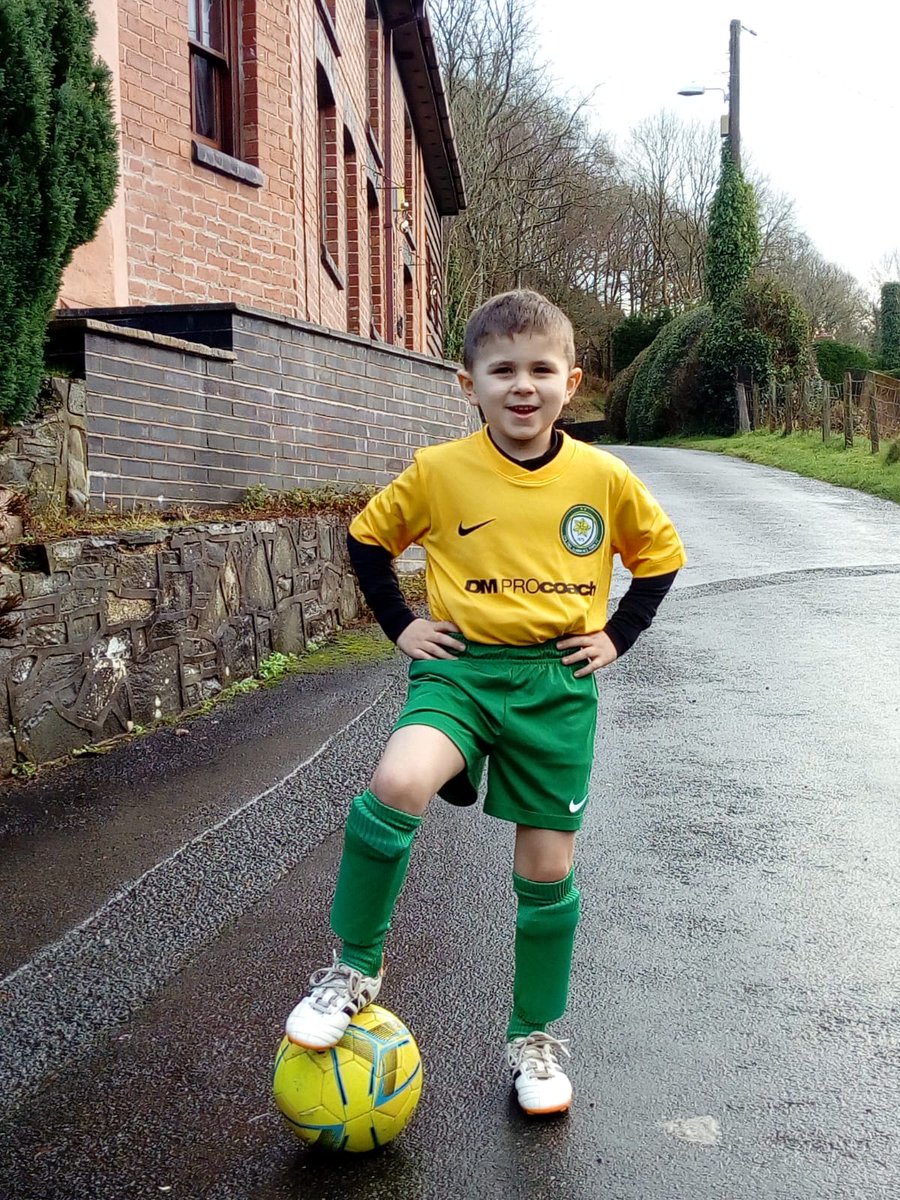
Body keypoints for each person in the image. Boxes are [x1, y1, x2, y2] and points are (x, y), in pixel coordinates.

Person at [285, 289, 686, 1115]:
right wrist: (400, 624)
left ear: (571, 382)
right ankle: (355, 967)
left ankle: (535, 1038)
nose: (523, 386)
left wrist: (616, 637)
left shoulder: (604, 479)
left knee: (545, 872)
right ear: (468, 382)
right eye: (502, 370)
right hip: (461, 672)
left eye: (541, 369)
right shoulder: (440, 472)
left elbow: (660, 556)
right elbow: (366, 538)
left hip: (555, 688)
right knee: (397, 782)